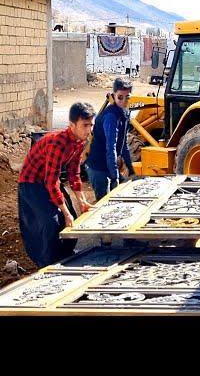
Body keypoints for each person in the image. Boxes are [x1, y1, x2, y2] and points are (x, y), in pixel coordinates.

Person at [18, 102, 96, 268]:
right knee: (50, 222)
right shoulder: (58, 143)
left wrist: (82, 201)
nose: (88, 130)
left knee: (71, 219)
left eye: (91, 125)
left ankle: (66, 256)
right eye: (85, 125)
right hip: (32, 182)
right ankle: (47, 263)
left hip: (49, 179)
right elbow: (51, 181)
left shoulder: (80, 141)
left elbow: (74, 172)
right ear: (72, 124)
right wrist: (65, 212)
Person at [86, 77, 135, 201]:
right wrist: (115, 176)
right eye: (120, 97)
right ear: (114, 95)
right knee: (104, 203)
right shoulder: (111, 117)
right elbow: (111, 147)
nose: (124, 101)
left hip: (109, 165)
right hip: (98, 167)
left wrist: (131, 168)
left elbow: (123, 144)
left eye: (127, 97)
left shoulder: (124, 113)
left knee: (124, 191)